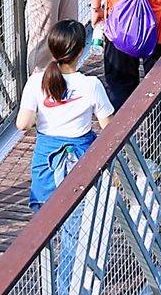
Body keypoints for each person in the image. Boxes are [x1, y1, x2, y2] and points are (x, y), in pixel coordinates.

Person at [16, 19, 113, 209]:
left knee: (44, 221)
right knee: (78, 216)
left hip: (46, 161)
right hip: (81, 158)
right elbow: (109, 127)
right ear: (81, 51)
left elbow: (23, 124)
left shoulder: (36, 81)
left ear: (52, 49)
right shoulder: (92, 84)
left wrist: (42, 118)